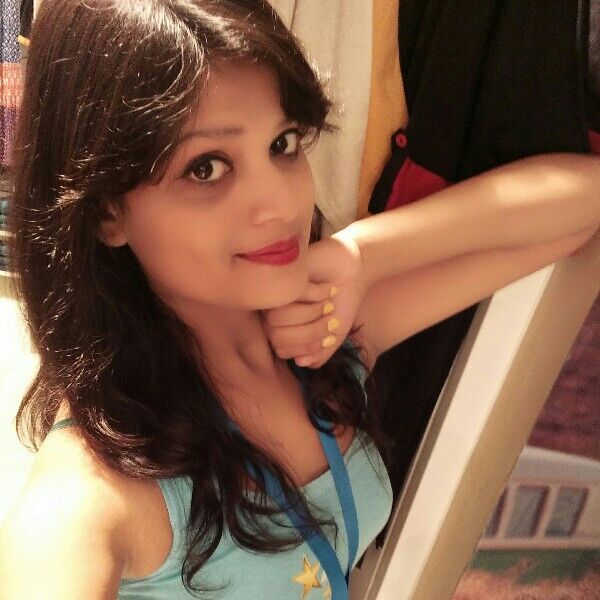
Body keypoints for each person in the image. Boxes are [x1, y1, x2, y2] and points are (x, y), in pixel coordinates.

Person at [0, 1, 599, 599]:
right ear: (107, 211)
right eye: (206, 168)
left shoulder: (320, 330)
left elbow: (578, 205)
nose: (281, 203)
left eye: (283, 143)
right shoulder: (89, 498)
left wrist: (364, 253)